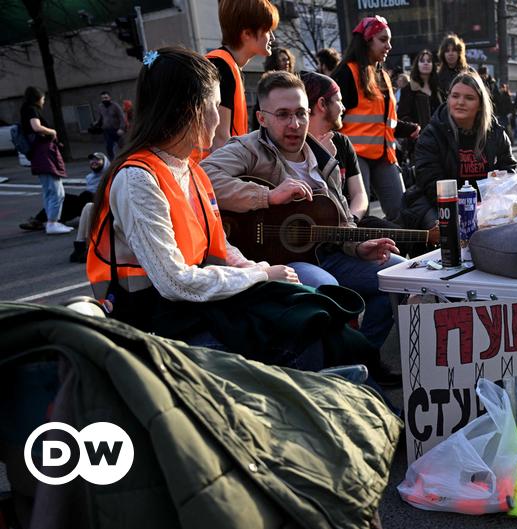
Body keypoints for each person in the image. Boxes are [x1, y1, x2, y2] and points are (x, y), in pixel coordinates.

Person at [85, 47, 377, 375]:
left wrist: (260, 269)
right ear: (189, 111)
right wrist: (260, 276)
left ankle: (344, 385)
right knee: (294, 331)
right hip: (158, 322)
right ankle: (322, 390)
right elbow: (175, 283)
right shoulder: (138, 179)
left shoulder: (189, 169)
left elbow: (219, 247)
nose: (219, 118)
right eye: (215, 106)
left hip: (196, 305)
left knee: (311, 311)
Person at [202, 71, 405, 361]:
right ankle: (337, 365)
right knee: (327, 289)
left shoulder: (322, 157)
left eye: (300, 113)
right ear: (262, 119)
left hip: (328, 252)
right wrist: (267, 196)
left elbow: (341, 218)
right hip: (278, 260)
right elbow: (204, 178)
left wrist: (357, 246)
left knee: (396, 275)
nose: (294, 124)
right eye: (283, 115)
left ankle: (365, 358)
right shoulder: (248, 148)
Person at [401, 71, 517, 230]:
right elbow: (431, 183)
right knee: (450, 231)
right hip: (438, 204)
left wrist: (492, 200)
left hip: (486, 206)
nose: (460, 102)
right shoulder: (432, 134)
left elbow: (509, 169)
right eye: (455, 96)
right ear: (448, 99)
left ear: (480, 104)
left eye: (469, 98)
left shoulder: (495, 133)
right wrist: (467, 209)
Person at [332, 15, 419, 221]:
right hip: (354, 155)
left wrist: (409, 129)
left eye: (389, 40)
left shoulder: (383, 75)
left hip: (384, 155)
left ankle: (396, 242)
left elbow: (383, 122)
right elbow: (330, 118)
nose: (389, 46)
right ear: (366, 41)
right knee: (360, 215)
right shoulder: (347, 73)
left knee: (401, 212)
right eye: (383, 40)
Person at [197, 0, 279, 161]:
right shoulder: (221, 66)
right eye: (267, 30)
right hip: (209, 169)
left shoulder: (227, 64)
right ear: (247, 34)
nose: (273, 37)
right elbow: (219, 139)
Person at [20, 86, 71, 235]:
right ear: (37, 98)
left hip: (39, 155)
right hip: (44, 154)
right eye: (43, 98)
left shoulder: (25, 110)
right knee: (57, 191)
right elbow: (36, 127)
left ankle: (51, 221)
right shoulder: (31, 110)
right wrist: (52, 131)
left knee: (49, 191)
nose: (43, 101)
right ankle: (53, 223)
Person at [21, 152, 108, 233]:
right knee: (64, 198)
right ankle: (40, 220)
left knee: (85, 196)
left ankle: (53, 220)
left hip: (101, 206)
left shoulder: (109, 175)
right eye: (92, 160)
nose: (94, 162)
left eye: (98, 160)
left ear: (105, 163)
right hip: (88, 205)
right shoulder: (90, 177)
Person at [250, 46, 295, 130]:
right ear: (275, 62)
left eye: (287, 59)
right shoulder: (267, 82)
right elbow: (260, 107)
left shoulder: (293, 82)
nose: (287, 62)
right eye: (283, 60)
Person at [93, 91, 126, 159]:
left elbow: (122, 117)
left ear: (109, 98)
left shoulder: (115, 106)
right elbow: (100, 118)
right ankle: (112, 162)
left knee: (122, 147)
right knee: (109, 147)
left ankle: (125, 159)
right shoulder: (100, 107)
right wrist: (96, 124)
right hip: (107, 130)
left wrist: (122, 128)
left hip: (117, 130)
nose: (104, 99)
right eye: (102, 98)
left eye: (106, 97)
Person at [437, 33, 471, 98]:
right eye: (447, 51)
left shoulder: (469, 72)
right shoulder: (438, 76)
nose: (450, 53)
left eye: (454, 50)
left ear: (459, 53)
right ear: (443, 54)